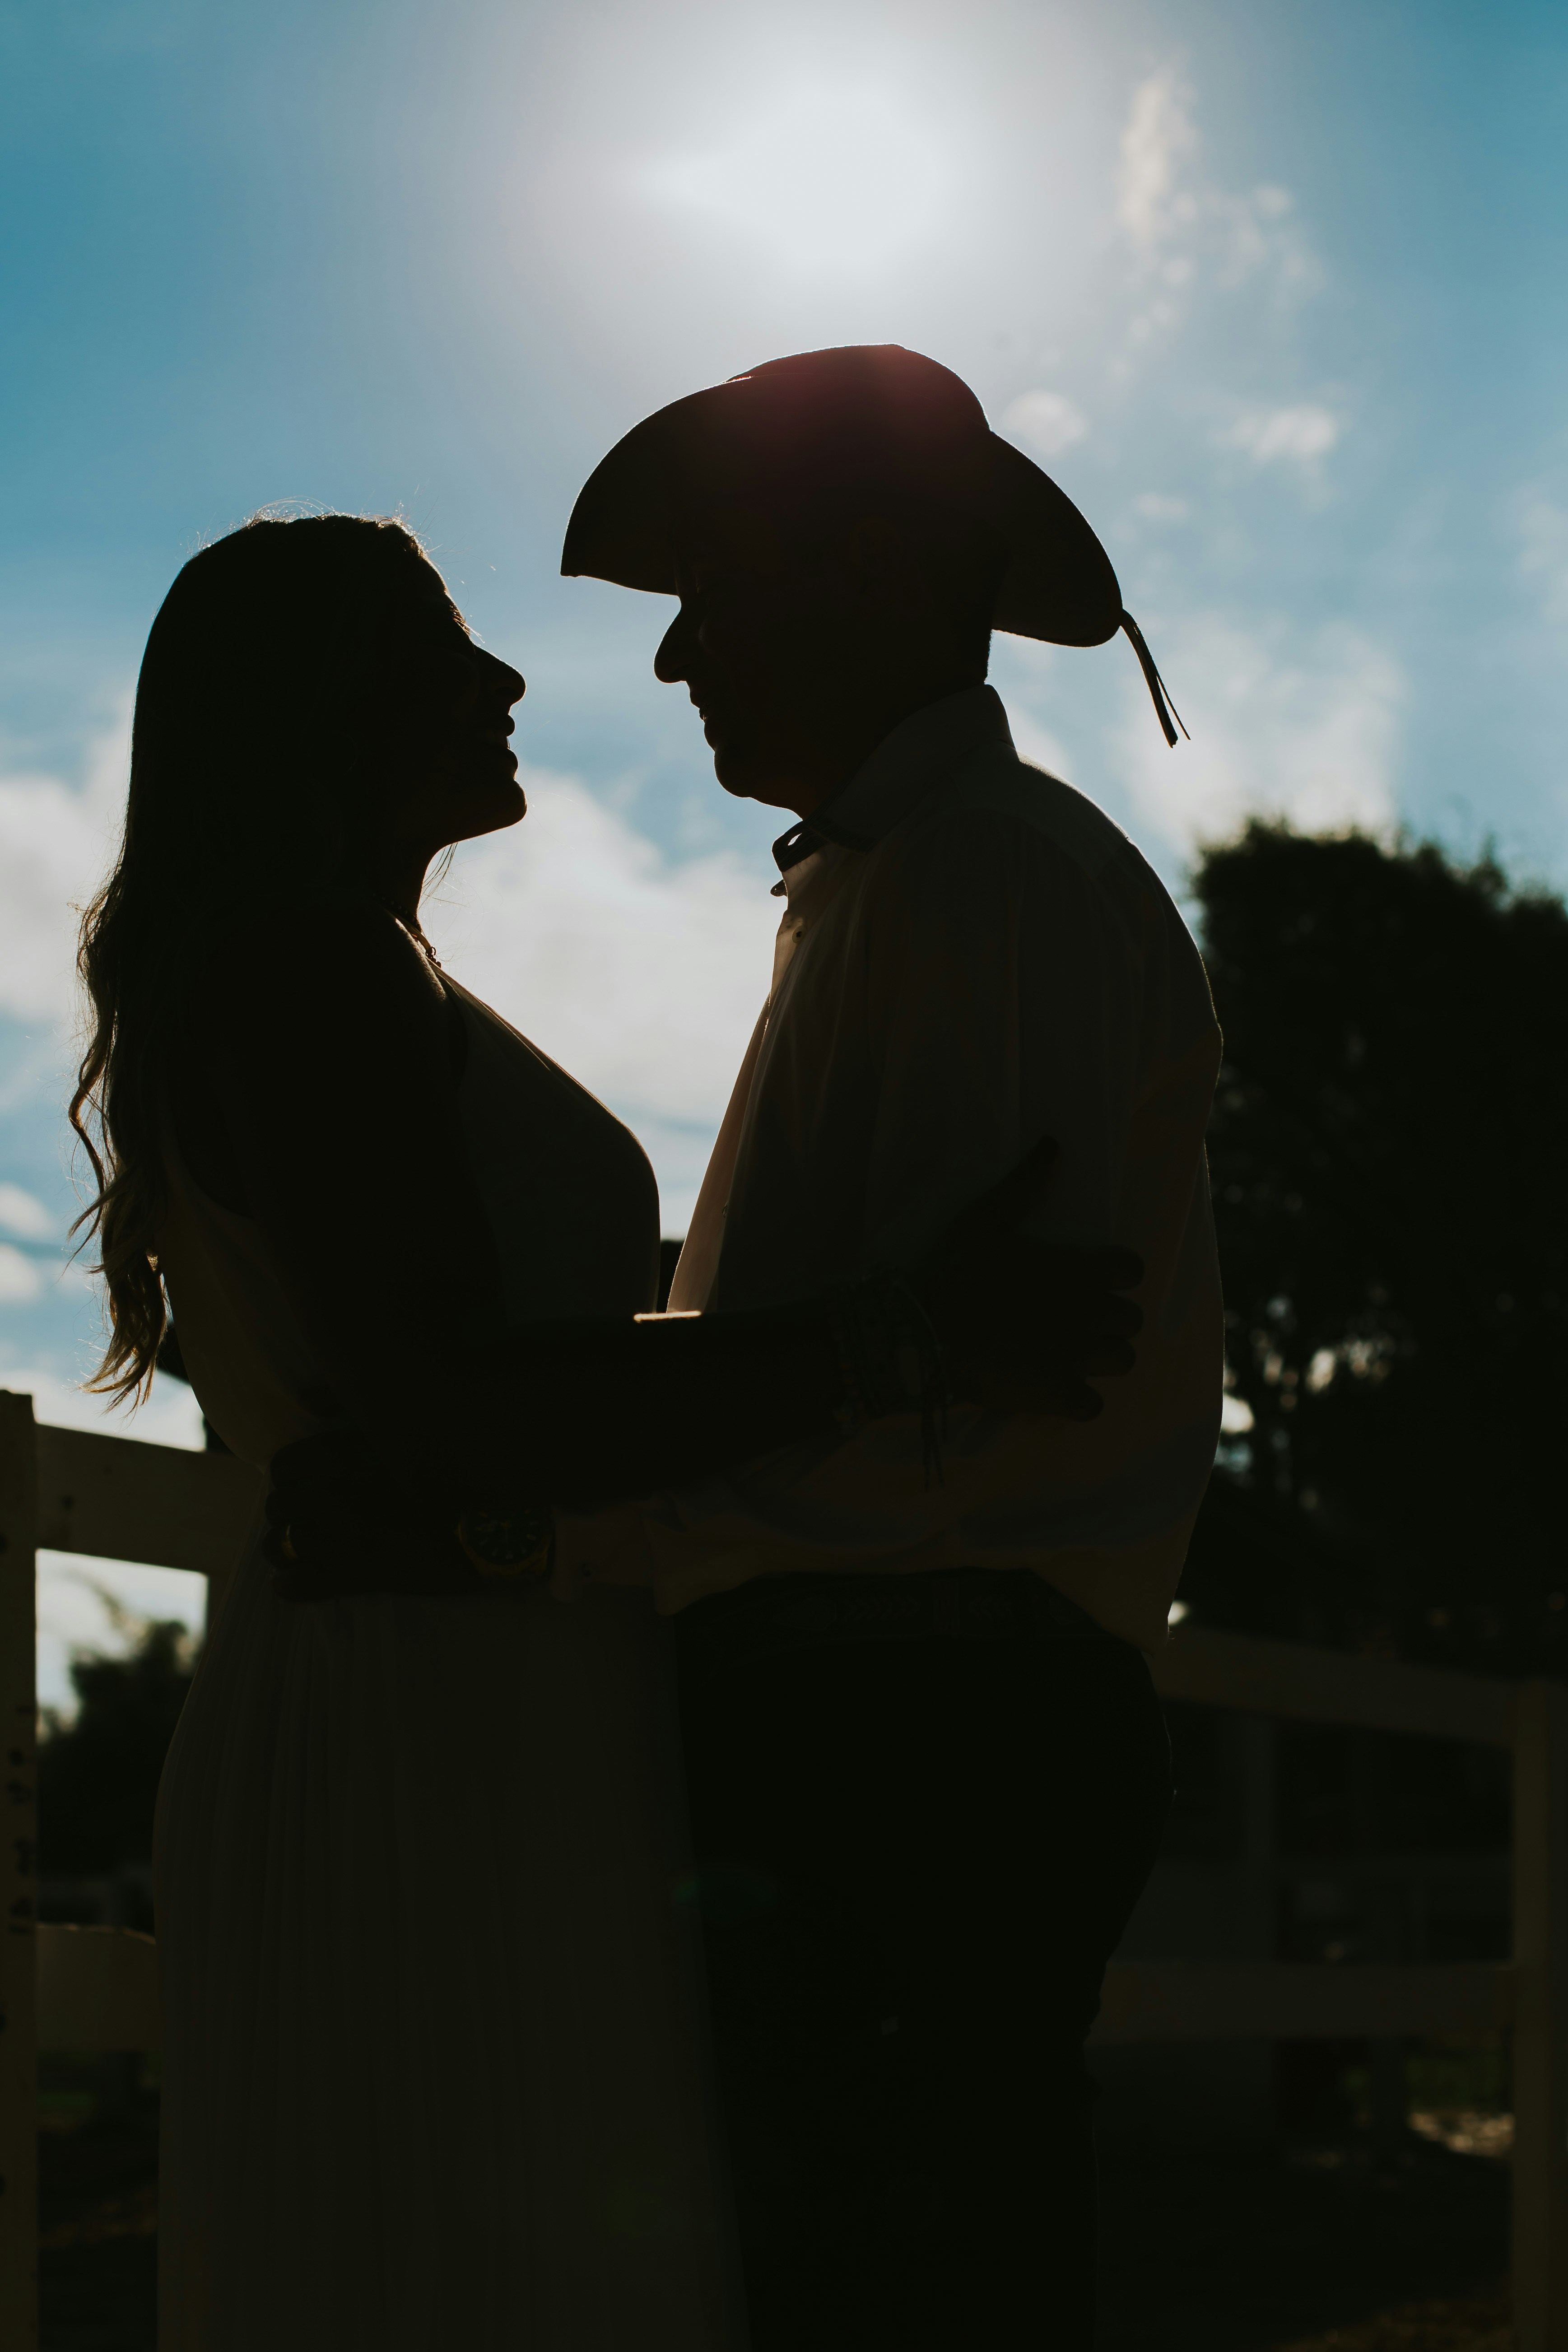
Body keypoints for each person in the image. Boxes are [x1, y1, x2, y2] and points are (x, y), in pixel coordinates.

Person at [70, 509, 1144, 2351]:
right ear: (323, 700)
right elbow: (464, 1404)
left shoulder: (343, 972)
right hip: (416, 1718)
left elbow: (478, 1361)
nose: (504, 682)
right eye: (445, 645)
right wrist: (900, 1334)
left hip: (462, 1694)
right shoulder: (309, 977)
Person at [549, 344, 1227, 2349]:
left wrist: (562, 1462)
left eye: (711, 593)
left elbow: (929, 1401)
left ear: (848, 581)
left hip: (899, 1731)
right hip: (906, 1720)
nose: (675, 659)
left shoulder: (974, 880)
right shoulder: (913, 879)